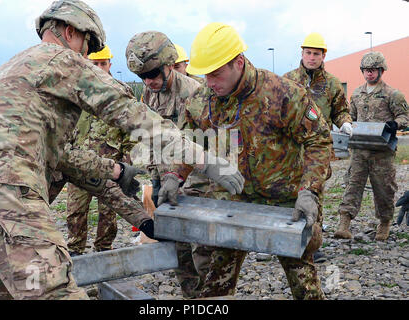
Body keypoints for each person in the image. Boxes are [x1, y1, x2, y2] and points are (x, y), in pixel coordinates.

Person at [0, 0, 244, 300]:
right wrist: (205, 160)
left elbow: (63, 157)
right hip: (8, 194)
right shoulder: (62, 60)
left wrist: (116, 171)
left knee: (9, 292)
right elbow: (134, 116)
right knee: (53, 291)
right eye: (87, 48)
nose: (85, 56)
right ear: (70, 32)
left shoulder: (14, 68)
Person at [159, 22, 332, 300]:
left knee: (303, 281)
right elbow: (189, 142)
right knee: (216, 283)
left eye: (216, 74)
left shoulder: (282, 94)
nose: (210, 82)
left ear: (238, 62)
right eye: (205, 75)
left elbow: (319, 140)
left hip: (287, 200)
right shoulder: (202, 99)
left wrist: (309, 191)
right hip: (236, 198)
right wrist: (174, 176)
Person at [283, 32, 352, 263]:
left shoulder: (332, 84)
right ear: (302, 53)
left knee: (315, 195)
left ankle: (313, 244)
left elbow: (341, 110)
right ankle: (286, 240)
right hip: (290, 151)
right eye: (308, 53)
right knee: (288, 195)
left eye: (316, 54)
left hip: (318, 151)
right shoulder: (288, 80)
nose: (311, 57)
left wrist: (345, 123)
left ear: (323, 56)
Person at [66, 45, 140, 256]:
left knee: (108, 212)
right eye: (94, 63)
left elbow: (130, 129)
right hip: (78, 164)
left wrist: (126, 162)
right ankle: (75, 251)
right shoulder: (77, 90)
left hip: (111, 165)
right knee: (75, 211)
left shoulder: (120, 91)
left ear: (109, 64)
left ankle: (104, 250)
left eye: (103, 63)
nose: (99, 67)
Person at [334, 51, 408, 241]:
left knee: (384, 189)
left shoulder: (393, 94)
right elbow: (350, 116)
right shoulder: (357, 93)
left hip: (382, 152)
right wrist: (346, 125)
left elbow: (404, 117)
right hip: (359, 149)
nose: (370, 74)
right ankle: (344, 223)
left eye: (374, 70)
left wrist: (395, 124)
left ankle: (384, 224)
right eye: (366, 70)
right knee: (352, 185)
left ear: (381, 71)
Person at [125, 31, 201, 207]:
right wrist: (154, 173)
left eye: (152, 74)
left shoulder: (192, 93)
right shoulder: (150, 91)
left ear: (169, 64)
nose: (148, 82)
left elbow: (197, 143)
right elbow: (150, 136)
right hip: (161, 173)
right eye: (142, 77)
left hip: (188, 181)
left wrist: (177, 177)